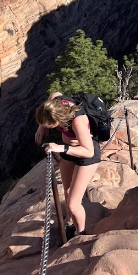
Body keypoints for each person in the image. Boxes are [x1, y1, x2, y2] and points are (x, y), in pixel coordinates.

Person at [35, 92, 101, 240]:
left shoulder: (77, 121)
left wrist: (60, 148)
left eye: (49, 125)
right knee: (67, 190)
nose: (48, 128)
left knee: (73, 204)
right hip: (68, 149)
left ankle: (81, 234)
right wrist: (42, 127)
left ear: (57, 119)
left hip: (86, 155)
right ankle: (70, 223)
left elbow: (88, 151)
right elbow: (54, 94)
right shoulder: (55, 104)